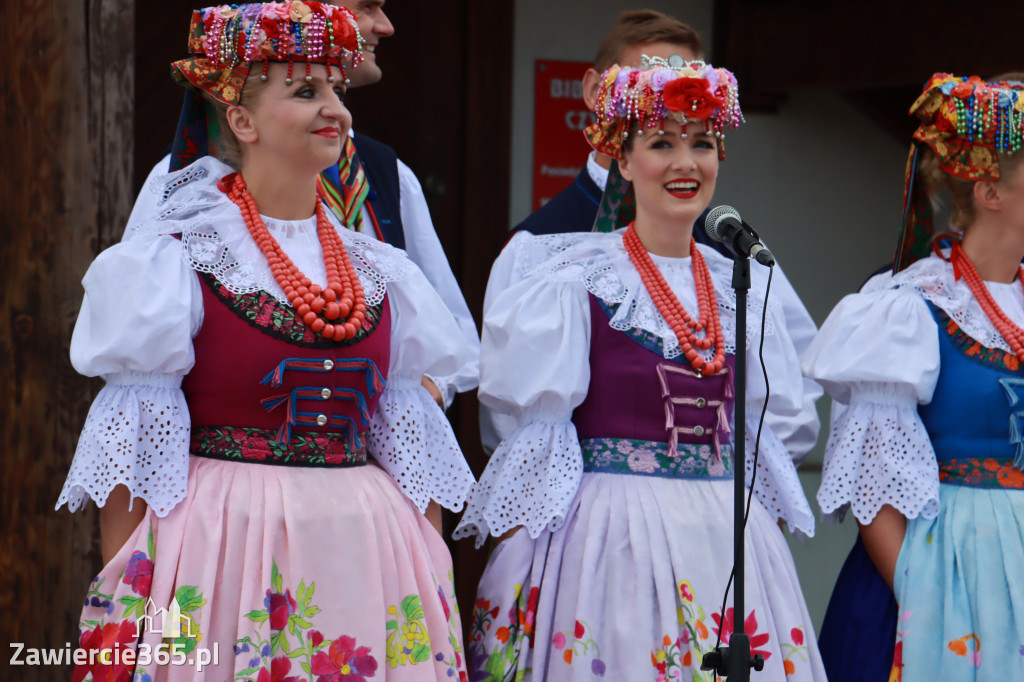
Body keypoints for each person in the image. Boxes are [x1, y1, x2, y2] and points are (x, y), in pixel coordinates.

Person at [59, 4, 474, 680]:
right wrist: (126, 606)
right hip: (222, 548)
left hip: (364, 556)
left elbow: (413, 448)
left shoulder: (380, 270)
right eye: (306, 91)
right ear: (242, 121)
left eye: (336, 90)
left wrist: (426, 573)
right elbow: (133, 451)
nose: (335, 108)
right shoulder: (178, 257)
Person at [453, 55, 826, 680]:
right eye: (662, 143)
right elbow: (536, 436)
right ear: (622, 161)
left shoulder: (742, 284)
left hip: (724, 533)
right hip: (609, 537)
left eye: (703, 144)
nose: (687, 163)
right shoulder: (574, 277)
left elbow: (771, 427)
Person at [482, 9, 820, 455]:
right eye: (646, 86)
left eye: (697, 134)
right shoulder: (540, 247)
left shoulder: (729, 249)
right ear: (594, 92)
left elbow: (789, 385)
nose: (667, 105)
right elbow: (510, 418)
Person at [131, 0, 479, 409]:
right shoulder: (184, 195)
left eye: (338, 91)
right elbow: (142, 356)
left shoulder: (388, 178)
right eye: (366, 7)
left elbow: (450, 335)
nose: (384, 26)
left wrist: (404, 405)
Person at [803, 73, 1024, 680]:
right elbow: (875, 495)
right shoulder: (906, 308)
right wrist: (931, 603)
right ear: (990, 191)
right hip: (939, 578)